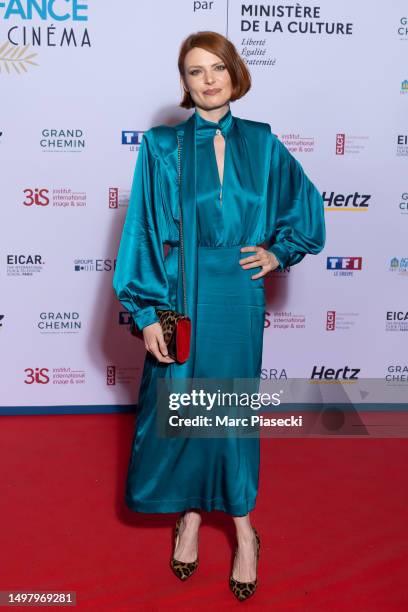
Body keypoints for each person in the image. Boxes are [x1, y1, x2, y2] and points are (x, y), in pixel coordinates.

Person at [112, 31, 325, 601]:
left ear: (234, 73)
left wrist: (280, 250)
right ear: (182, 83)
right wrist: (148, 310)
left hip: (238, 296)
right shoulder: (162, 146)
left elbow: (306, 206)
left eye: (216, 68)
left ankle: (243, 530)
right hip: (180, 293)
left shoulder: (262, 142)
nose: (207, 79)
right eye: (193, 71)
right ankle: (186, 516)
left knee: (229, 415)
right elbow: (144, 232)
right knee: (181, 410)